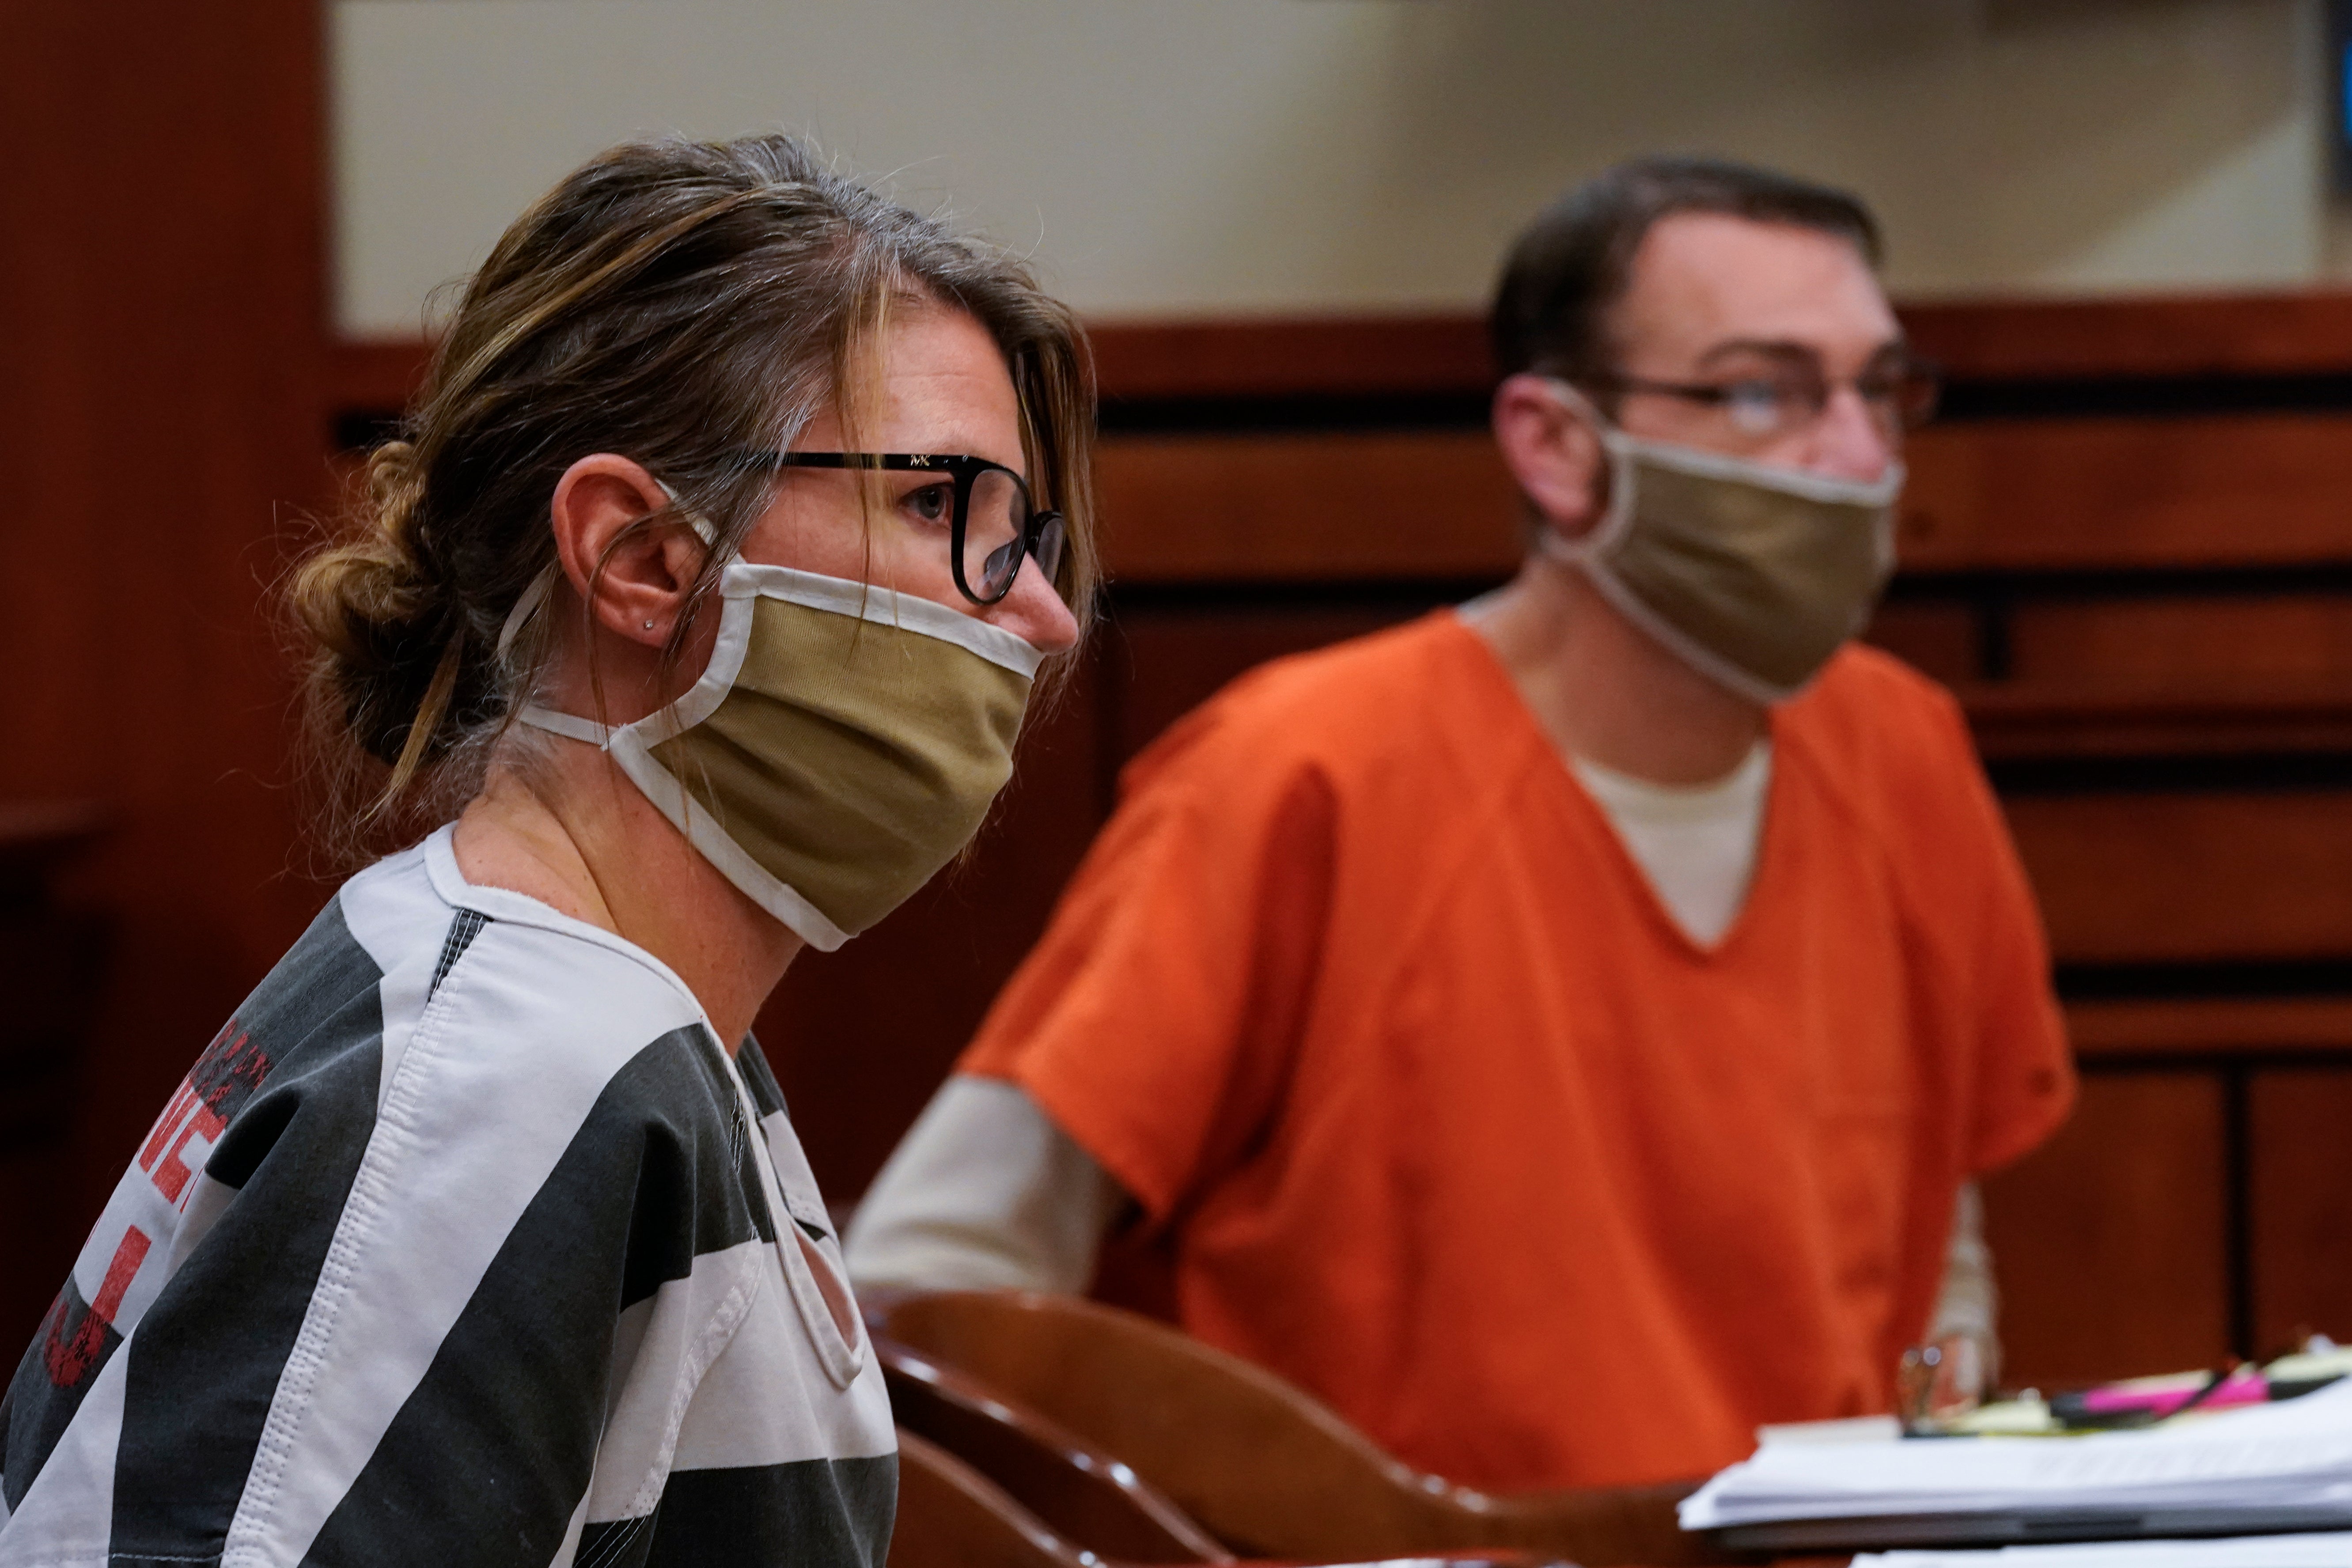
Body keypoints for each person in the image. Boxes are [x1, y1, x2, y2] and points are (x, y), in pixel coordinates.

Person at [845, 156, 2075, 1492]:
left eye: (1879, 391)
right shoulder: (1299, 772)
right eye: (1763, 392)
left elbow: (1936, 1233)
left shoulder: (1907, 754)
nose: (1855, 455)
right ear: (1555, 443)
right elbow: (929, 1286)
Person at [0, 132, 1094, 1565]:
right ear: (644, 562)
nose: (1045, 618)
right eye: (943, 507)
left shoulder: (583, 1009)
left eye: (1023, 535)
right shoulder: (512, 1073)